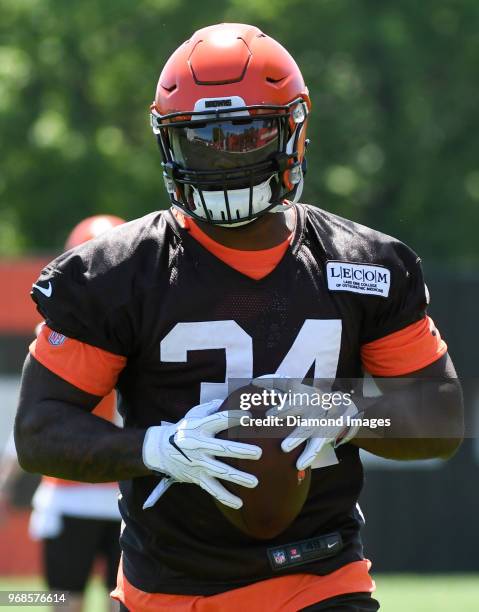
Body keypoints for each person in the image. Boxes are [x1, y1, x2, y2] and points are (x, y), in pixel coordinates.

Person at [14, 24, 463, 612]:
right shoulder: (116, 274)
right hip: (166, 590)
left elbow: (442, 417)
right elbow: (39, 429)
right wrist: (158, 448)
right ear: (167, 142)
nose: (223, 159)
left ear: (293, 131)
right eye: (201, 140)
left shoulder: (365, 264)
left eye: (245, 135)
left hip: (321, 576)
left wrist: (352, 412)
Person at [2, 215, 125, 612]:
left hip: (78, 489)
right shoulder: (148, 324)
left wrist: (7, 481)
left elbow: (38, 417)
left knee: (65, 599)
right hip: (126, 484)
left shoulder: (59, 329)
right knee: (117, 599)